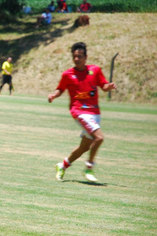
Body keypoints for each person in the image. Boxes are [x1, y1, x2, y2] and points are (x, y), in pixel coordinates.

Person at [48, 42, 117, 182]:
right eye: (74, 56)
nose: (76, 59)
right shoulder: (67, 74)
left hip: (95, 113)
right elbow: (60, 89)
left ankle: (62, 165)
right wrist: (54, 95)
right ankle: (89, 167)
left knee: (85, 146)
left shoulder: (95, 70)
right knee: (99, 137)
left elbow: (103, 86)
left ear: (86, 57)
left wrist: (108, 86)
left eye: (79, 56)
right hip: (79, 111)